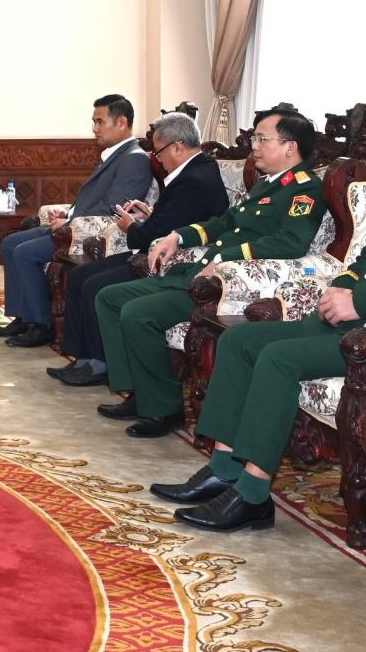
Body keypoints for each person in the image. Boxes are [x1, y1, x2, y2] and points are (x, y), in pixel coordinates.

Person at [150, 94, 366, 532]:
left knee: (278, 358)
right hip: (351, 320)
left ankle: (253, 495)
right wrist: (343, 285)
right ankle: (223, 469)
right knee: (238, 341)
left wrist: (362, 298)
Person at [90, 108, 324, 437]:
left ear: (290, 147)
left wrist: (227, 258)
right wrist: (178, 237)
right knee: (110, 298)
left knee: (138, 313)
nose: (254, 146)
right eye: (255, 138)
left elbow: (290, 242)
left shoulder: (304, 189)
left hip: (229, 286)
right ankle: (140, 392)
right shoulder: (266, 186)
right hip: (203, 271)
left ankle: (163, 409)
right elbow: (225, 222)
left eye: (262, 139)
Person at [49, 112, 229, 387]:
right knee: (79, 276)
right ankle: (83, 357)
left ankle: (99, 363)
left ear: (177, 147)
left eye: (158, 152)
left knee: (94, 285)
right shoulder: (196, 170)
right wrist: (149, 215)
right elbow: (171, 220)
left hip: (167, 260)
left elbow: (155, 234)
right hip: (154, 249)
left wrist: (131, 226)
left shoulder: (194, 179)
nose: (157, 159)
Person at [0, 94, 155, 347]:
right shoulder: (115, 154)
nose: (95, 128)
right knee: (10, 244)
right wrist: (67, 214)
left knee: (24, 253)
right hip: (74, 225)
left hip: (90, 234)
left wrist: (70, 223)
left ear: (121, 122)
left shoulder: (134, 158)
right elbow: (93, 199)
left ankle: (41, 325)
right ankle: (23, 316)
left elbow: (114, 207)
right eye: (94, 122)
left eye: (100, 122)